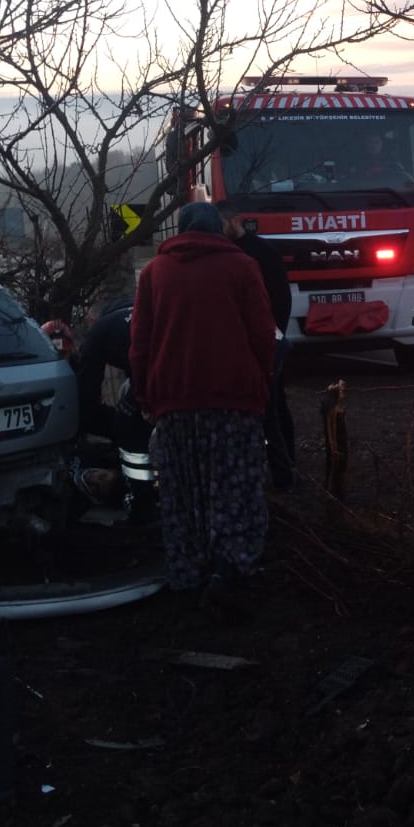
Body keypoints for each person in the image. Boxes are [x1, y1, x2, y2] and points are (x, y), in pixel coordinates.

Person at [129, 200, 276, 598]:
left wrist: (146, 395)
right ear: (218, 230)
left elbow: (140, 343)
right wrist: (260, 383)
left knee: (183, 494)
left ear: (180, 230)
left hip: (174, 404)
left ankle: (188, 573)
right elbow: (263, 335)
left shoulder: (155, 273)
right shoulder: (243, 268)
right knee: (235, 489)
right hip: (235, 403)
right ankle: (231, 565)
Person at [219, 203, 297, 490]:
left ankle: (286, 467)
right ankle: (273, 467)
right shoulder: (230, 254)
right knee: (267, 409)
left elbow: (280, 298)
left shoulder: (262, 253)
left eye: (220, 224)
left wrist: (274, 335)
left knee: (275, 408)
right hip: (248, 344)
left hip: (267, 341)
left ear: (233, 220)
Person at [75, 299, 157, 523]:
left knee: (129, 430)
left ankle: (142, 504)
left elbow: (87, 390)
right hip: (188, 368)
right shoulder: (138, 308)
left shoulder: (99, 331)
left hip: (154, 376)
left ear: (94, 319)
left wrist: (101, 425)